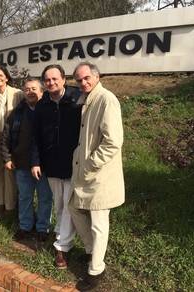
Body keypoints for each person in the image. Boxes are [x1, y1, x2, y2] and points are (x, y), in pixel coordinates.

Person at [69, 62, 125, 291]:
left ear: (96, 76)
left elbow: (113, 141)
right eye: (79, 80)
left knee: (99, 224)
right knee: (74, 207)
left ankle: (96, 271)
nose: (83, 83)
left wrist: (90, 163)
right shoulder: (87, 100)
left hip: (100, 175)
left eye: (86, 78)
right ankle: (92, 252)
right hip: (86, 173)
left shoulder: (106, 99)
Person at [31, 64, 82, 269]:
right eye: (47, 80)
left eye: (55, 79)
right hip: (51, 164)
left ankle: (62, 247)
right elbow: (36, 137)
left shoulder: (77, 100)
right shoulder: (42, 105)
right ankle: (63, 238)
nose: (51, 82)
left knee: (69, 206)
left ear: (63, 79)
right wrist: (35, 161)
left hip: (73, 163)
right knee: (59, 204)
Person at [0, 78, 53, 241]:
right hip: (21, 164)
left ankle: (43, 228)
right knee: (25, 197)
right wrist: (7, 158)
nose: (30, 92)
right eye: (27, 89)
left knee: (45, 197)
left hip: (44, 165)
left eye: (34, 89)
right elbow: (5, 138)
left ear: (42, 92)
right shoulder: (16, 113)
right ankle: (25, 226)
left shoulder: (49, 111)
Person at [0, 65, 24, 214]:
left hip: (11, 140)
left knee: (10, 172)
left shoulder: (17, 94)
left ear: (7, 77)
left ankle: (10, 205)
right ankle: (0, 202)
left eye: (1, 75)